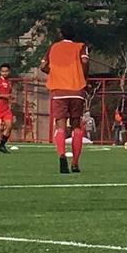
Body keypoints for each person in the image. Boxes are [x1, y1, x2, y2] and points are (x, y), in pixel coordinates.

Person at [41, 23, 90, 174]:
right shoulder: (81, 46)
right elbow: (85, 62)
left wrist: (55, 73)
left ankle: (62, 156)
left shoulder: (53, 47)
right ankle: (75, 163)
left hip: (58, 89)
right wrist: (83, 77)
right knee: (76, 124)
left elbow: (43, 66)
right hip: (76, 89)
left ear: (61, 34)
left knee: (60, 125)